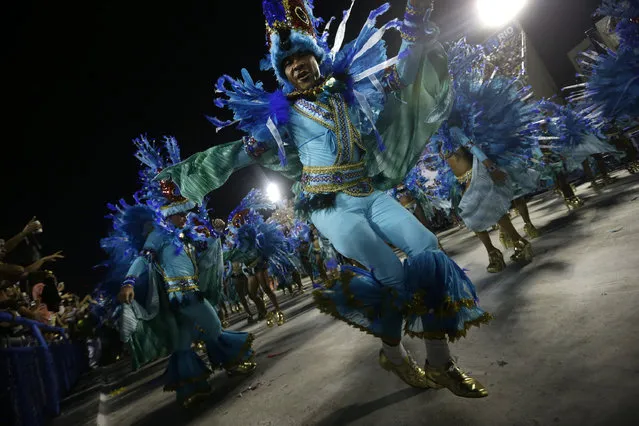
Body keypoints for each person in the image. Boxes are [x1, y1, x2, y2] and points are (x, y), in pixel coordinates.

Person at [157, 0, 490, 398]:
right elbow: (234, 154)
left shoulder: (351, 92)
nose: (298, 64)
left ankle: (440, 363)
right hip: (330, 207)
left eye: (303, 55)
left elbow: (401, 89)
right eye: (289, 61)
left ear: (317, 58)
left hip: (370, 190)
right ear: (282, 72)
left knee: (428, 248)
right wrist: (181, 181)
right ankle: (396, 355)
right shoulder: (280, 117)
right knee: (392, 274)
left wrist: (415, 26)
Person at [104, 136, 256, 408]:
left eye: (186, 213)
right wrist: (128, 282)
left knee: (184, 343)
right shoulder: (160, 235)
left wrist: (220, 229)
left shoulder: (183, 235)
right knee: (215, 328)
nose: (186, 216)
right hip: (185, 296)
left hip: (182, 297)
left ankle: (191, 388)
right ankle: (233, 364)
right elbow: (144, 259)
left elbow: (210, 249)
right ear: (170, 213)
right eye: (181, 213)